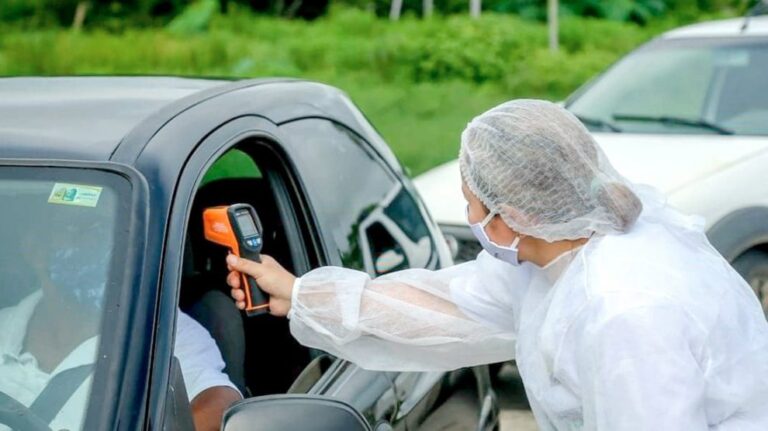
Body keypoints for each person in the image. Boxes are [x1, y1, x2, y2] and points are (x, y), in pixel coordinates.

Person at [226, 99, 768, 430]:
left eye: (471, 203)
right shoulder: (562, 256)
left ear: (514, 216)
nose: (467, 214)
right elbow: (449, 307)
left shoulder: (624, 312)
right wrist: (301, 294)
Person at [0, 207, 241, 431]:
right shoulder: (5, 325)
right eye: (81, 229)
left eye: (111, 230)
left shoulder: (160, 328)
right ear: (35, 250)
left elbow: (220, 404)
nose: (103, 244)